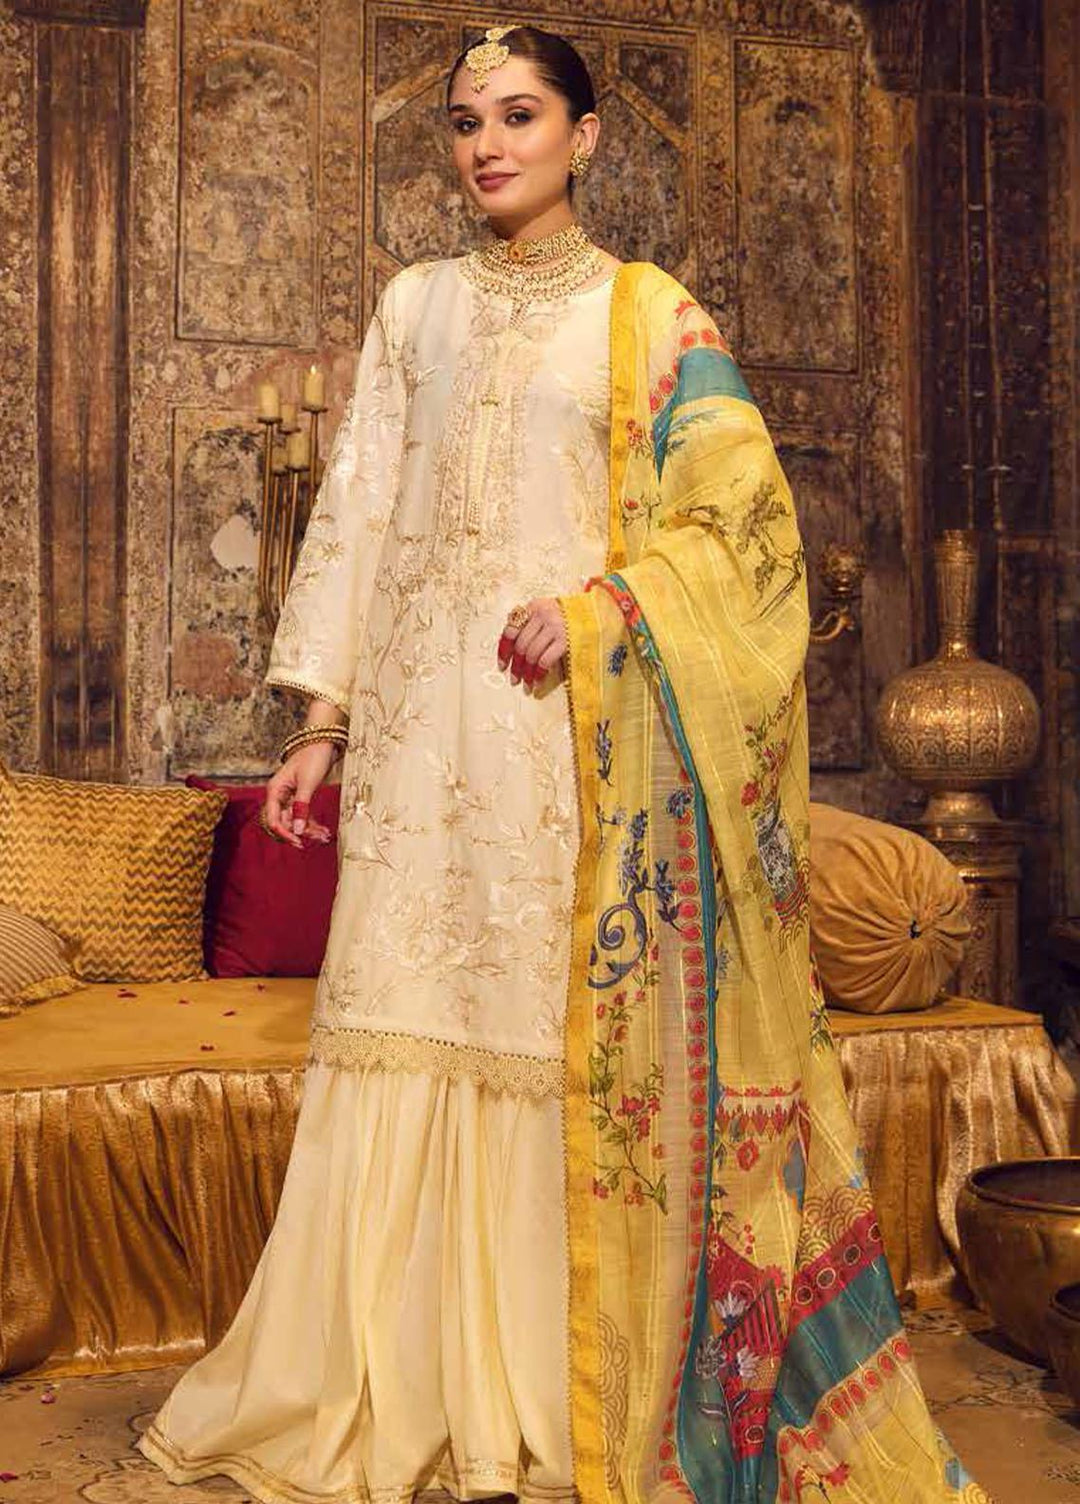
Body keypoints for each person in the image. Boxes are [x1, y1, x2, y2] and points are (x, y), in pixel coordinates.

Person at [138, 24, 986, 1504]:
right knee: (406, 1015)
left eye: (519, 115)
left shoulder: (650, 319)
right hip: (418, 741)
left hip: (566, 738)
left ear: (586, 137)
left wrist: (608, 608)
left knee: (547, 1038)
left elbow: (746, 533)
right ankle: (386, 1381)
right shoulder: (414, 308)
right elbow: (359, 508)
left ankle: (556, 1386)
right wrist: (322, 721)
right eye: (468, 121)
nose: (488, 145)